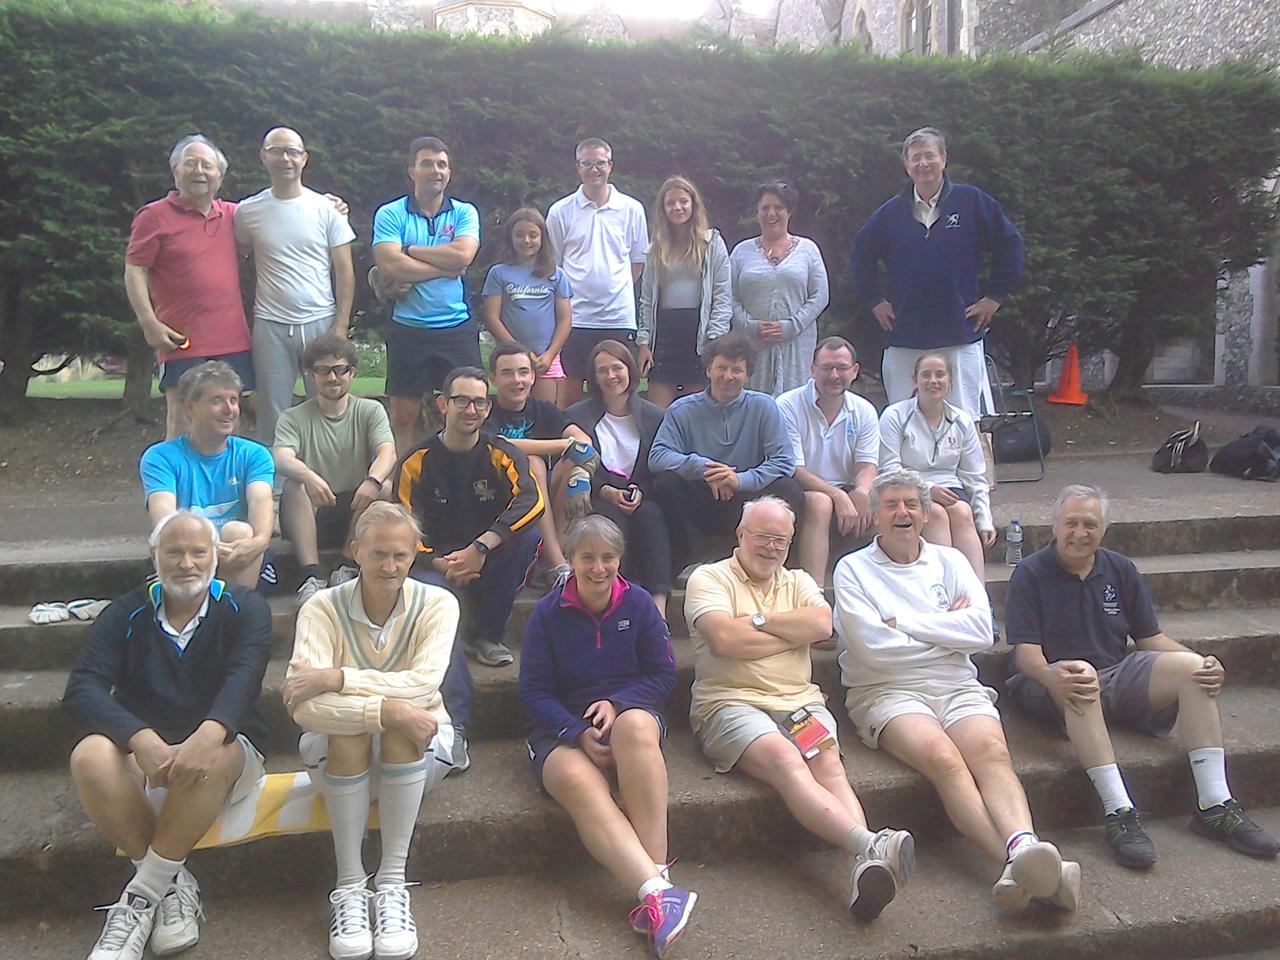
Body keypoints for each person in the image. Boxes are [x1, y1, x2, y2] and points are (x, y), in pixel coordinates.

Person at [834, 470, 1078, 911]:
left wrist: (903, 622)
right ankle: (1020, 862)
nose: (902, 513)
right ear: (875, 517)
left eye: (911, 504)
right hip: (886, 690)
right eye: (890, 505)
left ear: (926, 514)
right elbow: (872, 651)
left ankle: (1022, 851)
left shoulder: (951, 562)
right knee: (945, 760)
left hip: (956, 682)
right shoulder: (853, 570)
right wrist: (947, 627)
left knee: (992, 753)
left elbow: (982, 631)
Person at [1004, 485, 1279, 867]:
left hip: (1116, 674)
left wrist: (1204, 661)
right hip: (1053, 679)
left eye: (1090, 525)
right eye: (1071, 523)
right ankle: (1119, 812)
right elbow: (1026, 656)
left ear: (1104, 530)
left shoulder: (1120, 569)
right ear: (1055, 525)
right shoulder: (1030, 573)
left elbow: (1151, 639)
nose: (1079, 534)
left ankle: (1214, 803)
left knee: (1194, 671)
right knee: (1081, 674)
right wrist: (1053, 678)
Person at [685, 497, 913, 920]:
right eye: (763, 537)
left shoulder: (800, 581)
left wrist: (754, 623)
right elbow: (723, 641)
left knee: (828, 762)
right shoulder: (709, 578)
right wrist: (788, 631)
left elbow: (822, 625)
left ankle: (867, 867)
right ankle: (869, 845)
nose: (771, 548)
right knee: (786, 759)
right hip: (731, 704)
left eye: (781, 540)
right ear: (740, 535)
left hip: (799, 702)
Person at [63, 510, 271, 960]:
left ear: (216, 556)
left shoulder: (245, 607)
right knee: (90, 756)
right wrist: (139, 737)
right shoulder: (126, 612)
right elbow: (82, 689)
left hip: (229, 748)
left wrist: (208, 735)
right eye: (173, 552)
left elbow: (245, 679)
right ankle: (173, 885)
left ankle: (138, 901)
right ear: (154, 556)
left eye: (199, 552)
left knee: (210, 757)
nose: (187, 563)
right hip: (148, 754)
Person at [284, 502, 459, 960]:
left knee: (402, 728)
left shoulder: (438, 603)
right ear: (355, 550)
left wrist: (338, 678)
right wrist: (389, 711)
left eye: (401, 555)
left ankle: (392, 883)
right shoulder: (321, 608)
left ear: (415, 552)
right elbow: (303, 708)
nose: (390, 565)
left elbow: (425, 684)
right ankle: (348, 886)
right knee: (362, 728)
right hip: (339, 756)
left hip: (419, 753)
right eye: (379, 553)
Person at [519, 516, 695, 956]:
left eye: (608, 558)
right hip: (560, 726)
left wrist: (618, 703)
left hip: (630, 711)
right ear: (572, 561)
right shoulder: (547, 612)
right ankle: (657, 894)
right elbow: (533, 691)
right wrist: (576, 731)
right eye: (587, 558)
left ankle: (656, 876)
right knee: (578, 782)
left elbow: (663, 673)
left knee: (636, 726)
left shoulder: (637, 604)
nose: (599, 568)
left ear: (620, 559)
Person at [395, 368, 543, 757]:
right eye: (461, 400)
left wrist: (482, 546)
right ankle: (455, 723)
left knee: (527, 536)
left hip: (487, 554)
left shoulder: (502, 453)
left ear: (488, 407)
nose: (470, 409)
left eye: (479, 401)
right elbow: (401, 527)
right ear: (443, 404)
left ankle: (488, 635)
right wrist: (440, 562)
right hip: (435, 564)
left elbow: (533, 502)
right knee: (439, 610)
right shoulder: (417, 461)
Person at [850, 126, 1024, 417]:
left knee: (965, 420)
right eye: (916, 158)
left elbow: (1011, 245)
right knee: (902, 420)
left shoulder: (972, 202)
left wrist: (995, 296)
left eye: (930, 156)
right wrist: (874, 300)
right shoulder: (891, 213)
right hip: (905, 334)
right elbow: (860, 254)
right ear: (907, 166)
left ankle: (969, 466)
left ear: (944, 159)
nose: (923, 164)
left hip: (959, 333)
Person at [234, 127, 357, 446]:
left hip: (321, 323)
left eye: (292, 152)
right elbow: (237, 252)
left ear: (304, 159)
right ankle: (271, 492)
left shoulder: (326, 209)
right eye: (277, 150)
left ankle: (330, 488)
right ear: (264, 157)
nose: (285, 158)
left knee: (330, 407)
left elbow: (344, 271)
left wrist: (340, 327)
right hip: (271, 325)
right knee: (273, 414)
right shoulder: (248, 211)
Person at [125, 134, 253, 439]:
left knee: (228, 421)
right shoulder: (153, 216)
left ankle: (224, 487)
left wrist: (329, 203)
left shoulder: (236, 215)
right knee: (182, 419)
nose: (199, 171)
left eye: (207, 165)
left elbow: (280, 208)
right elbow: (135, 269)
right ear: (175, 169)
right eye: (190, 163)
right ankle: (175, 488)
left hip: (233, 339)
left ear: (220, 176)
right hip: (181, 339)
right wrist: (148, 322)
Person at [648, 332, 803, 574]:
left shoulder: (764, 406)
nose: (728, 376)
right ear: (708, 370)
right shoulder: (682, 409)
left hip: (747, 497)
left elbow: (784, 461)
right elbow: (657, 456)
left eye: (736, 370)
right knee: (666, 483)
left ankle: (770, 562)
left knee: (788, 488)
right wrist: (705, 468)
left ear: (747, 374)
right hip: (701, 495)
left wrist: (741, 479)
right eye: (721, 368)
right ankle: (693, 562)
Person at [372, 136, 481, 455]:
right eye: (427, 163)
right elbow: (389, 265)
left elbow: (463, 257)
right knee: (403, 417)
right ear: (412, 171)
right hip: (408, 328)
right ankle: (399, 492)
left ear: (449, 173)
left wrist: (411, 251)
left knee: (468, 411)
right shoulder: (391, 213)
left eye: (441, 164)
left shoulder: (464, 212)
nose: (435, 170)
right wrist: (443, 265)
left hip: (455, 328)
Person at [273, 333, 397, 607]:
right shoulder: (293, 417)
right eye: (324, 370)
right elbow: (281, 457)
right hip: (310, 510)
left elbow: (388, 451)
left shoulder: (369, 410)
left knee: (384, 488)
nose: (333, 378)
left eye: (341, 370)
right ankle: (311, 575)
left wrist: (373, 480)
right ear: (311, 374)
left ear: (352, 372)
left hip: (355, 508)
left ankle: (346, 566)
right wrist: (309, 476)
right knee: (294, 485)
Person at [140, 361, 276, 593]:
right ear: (191, 408)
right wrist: (209, 548)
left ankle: (229, 613)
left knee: (239, 532)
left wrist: (260, 542)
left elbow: (261, 502)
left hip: (241, 555)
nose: (229, 409)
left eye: (233, 400)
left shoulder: (254, 454)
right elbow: (165, 521)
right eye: (217, 400)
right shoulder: (160, 457)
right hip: (188, 554)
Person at [566, 340, 673, 618]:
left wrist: (642, 493)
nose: (611, 376)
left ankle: (658, 607)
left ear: (630, 370)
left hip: (642, 495)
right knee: (608, 521)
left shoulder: (656, 416)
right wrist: (605, 491)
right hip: (597, 497)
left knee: (651, 516)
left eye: (617, 368)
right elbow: (574, 462)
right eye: (603, 370)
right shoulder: (577, 416)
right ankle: (615, 604)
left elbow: (661, 468)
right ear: (594, 376)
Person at [484, 341, 597, 589]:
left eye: (523, 372)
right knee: (533, 463)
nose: (517, 380)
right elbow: (497, 444)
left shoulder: (542, 409)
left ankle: (552, 560)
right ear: (493, 378)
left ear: (533, 376)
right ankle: (557, 563)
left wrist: (581, 470)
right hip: (498, 498)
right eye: (507, 373)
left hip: (544, 503)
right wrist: (561, 446)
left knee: (571, 468)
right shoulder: (485, 409)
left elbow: (583, 440)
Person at [546, 137, 648, 408]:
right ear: (578, 168)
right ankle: (567, 447)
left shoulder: (632, 209)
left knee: (617, 390)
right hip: (575, 319)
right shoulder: (560, 211)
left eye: (600, 163)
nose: (594, 170)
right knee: (570, 391)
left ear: (610, 166)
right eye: (587, 164)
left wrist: (611, 289)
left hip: (618, 317)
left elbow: (637, 264)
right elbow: (553, 266)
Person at [878, 353, 995, 581]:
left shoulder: (962, 420)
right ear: (915, 381)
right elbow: (889, 468)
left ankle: (979, 601)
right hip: (906, 488)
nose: (933, 381)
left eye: (940, 375)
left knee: (963, 512)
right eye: (926, 375)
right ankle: (944, 590)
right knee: (936, 514)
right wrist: (927, 489)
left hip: (950, 487)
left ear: (950, 381)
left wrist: (985, 518)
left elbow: (975, 476)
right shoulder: (895, 416)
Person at [776, 336, 879, 586]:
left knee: (890, 505)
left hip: (847, 488)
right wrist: (839, 496)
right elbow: (794, 469)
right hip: (802, 490)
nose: (834, 375)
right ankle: (815, 593)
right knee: (821, 502)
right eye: (827, 368)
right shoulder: (787, 405)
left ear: (854, 371)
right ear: (812, 370)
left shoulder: (864, 410)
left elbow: (867, 465)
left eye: (842, 368)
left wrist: (862, 492)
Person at [636, 176, 732, 407]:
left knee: (696, 411)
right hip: (665, 337)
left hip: (699, 337)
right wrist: (643, 343)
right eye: (670, 203)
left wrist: (714, 342)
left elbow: (722, 296)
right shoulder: (654, 250)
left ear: (693, 205)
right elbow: (647, 300)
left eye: (683, 201)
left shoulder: (712, 244)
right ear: (663, 209)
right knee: (658, 414)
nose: (677, 207)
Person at [729, 181, 830, 396]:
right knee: (752, 405)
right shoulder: (741, 252)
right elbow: (729, 297)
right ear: (757, 212)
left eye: (778, 208)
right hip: (752, 345)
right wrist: (750, 326)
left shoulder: (808, 250)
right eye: (765, 208)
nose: (771, 213)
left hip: (796, 344)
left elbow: (820, 296)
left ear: (789, 211)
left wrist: (790, 326)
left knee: (795, 404)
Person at [481, 206, 573, 405]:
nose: (526, 241)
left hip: (546, 359)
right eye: (519, 235)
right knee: (514, 411)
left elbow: (565, 320)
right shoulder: (498, 273)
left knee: (548, 414)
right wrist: (521, 352)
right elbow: (491, 318)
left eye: (533, 235)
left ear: (543, 238)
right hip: (512, 358)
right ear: (510, 237)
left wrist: (549, 355)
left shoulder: (556, 274)